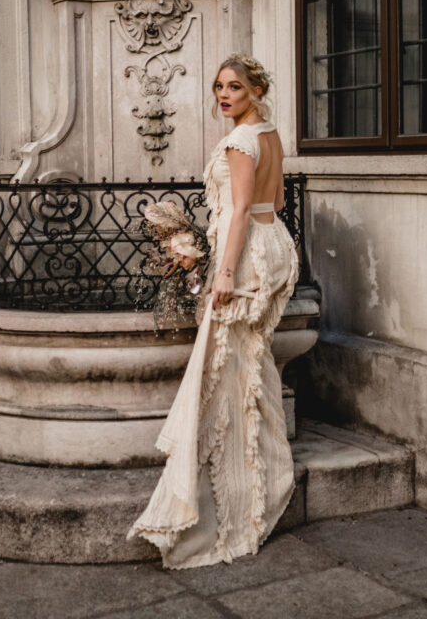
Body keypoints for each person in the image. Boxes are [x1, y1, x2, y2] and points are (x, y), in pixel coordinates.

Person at [128, 54, 299, 569]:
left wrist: (222, 270)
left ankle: (228, 504)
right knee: (246, 371)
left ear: (255, 90)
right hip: (273, 244)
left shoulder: (241, 141)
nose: (223, 96)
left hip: (245, 257)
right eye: (218, 87)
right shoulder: (269, 133)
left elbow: (241, 209)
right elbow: (275, 205)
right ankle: (263, 480)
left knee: (222, 374)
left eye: (234, 88)